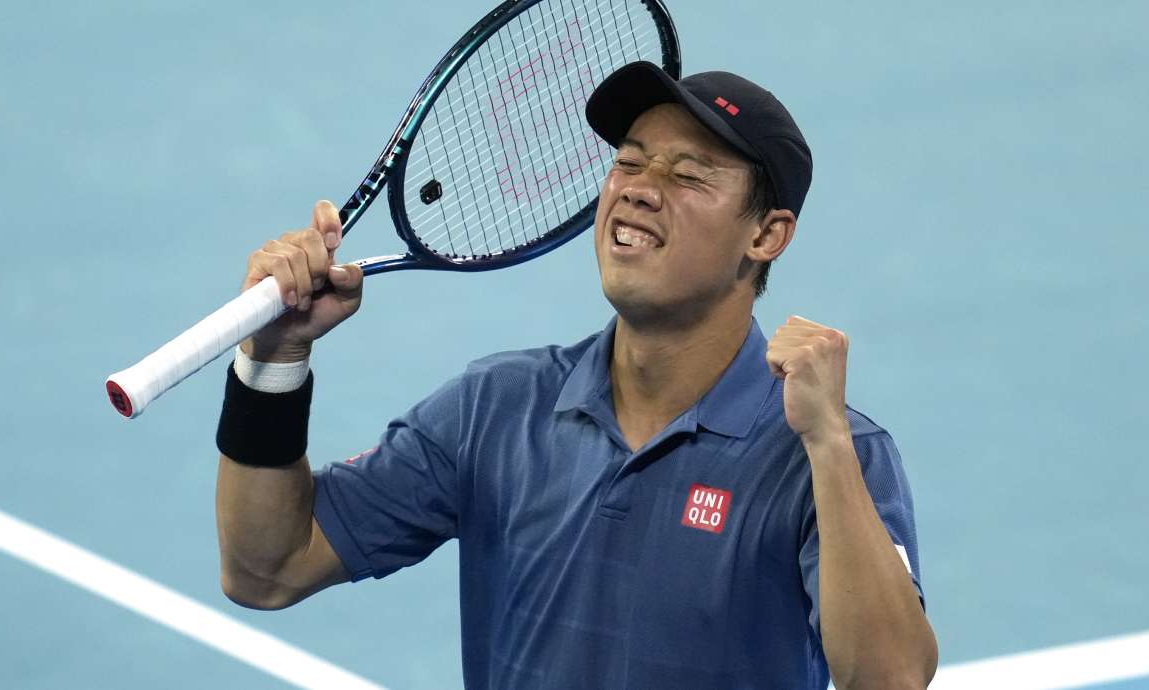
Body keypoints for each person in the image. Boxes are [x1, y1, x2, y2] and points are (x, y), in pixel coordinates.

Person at [214, 61, 938, 690]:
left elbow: (890, 679)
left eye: (688, 175)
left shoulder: (829, 453)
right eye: (629, 160)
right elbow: (266, 569)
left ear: (767, 234)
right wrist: (273, 361)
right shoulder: (494, 410)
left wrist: (829, 447)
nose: (640, 188)